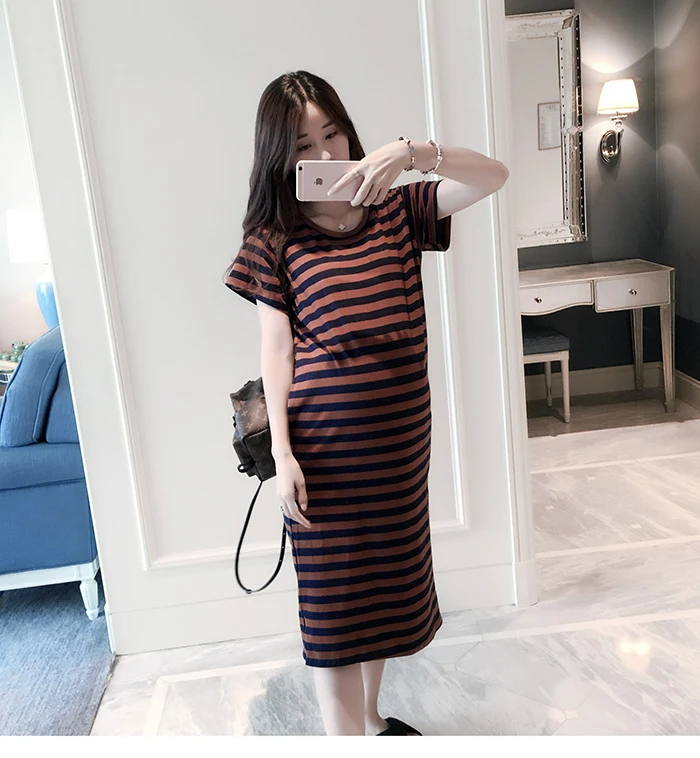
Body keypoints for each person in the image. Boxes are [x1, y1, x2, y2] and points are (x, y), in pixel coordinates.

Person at [223, 70, 509, 737]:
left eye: (333, 134)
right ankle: (345, 739)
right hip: (324, 459)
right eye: (304, 145)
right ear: (280, 156)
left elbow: (493, 176)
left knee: (382, 598)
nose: (326, 154)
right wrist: (284, 454)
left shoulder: (397, 210)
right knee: (334, 615)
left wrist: (413, 154)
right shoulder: (274, 238)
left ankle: (373, 722)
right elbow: (277, 352)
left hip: (399, 454)